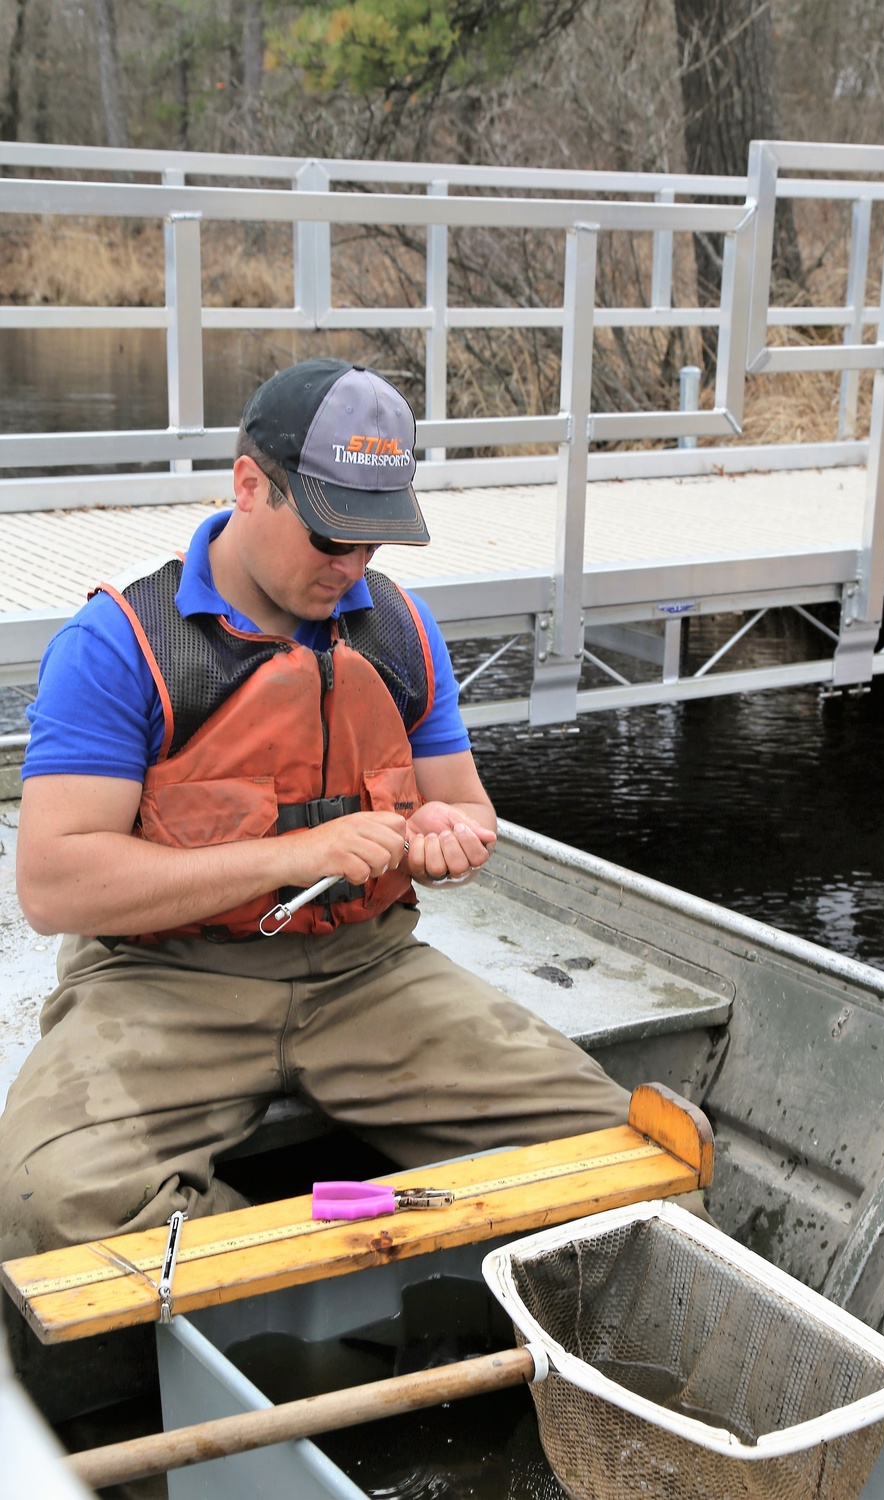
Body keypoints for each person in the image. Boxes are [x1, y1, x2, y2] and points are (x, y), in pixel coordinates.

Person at [0, 358, 629, 1262]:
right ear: (250, 484)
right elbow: (55, 885)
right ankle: (311, 1318)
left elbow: (465, 807)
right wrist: (285, 856)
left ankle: (390, 1288)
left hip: (367, 972)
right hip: (167, 980)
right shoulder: (119, 643)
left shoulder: (398, 631)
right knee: (43, 1206)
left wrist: (444, 841)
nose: (353, 567)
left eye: (373, 541)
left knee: (615, 1147)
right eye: (332, 537)